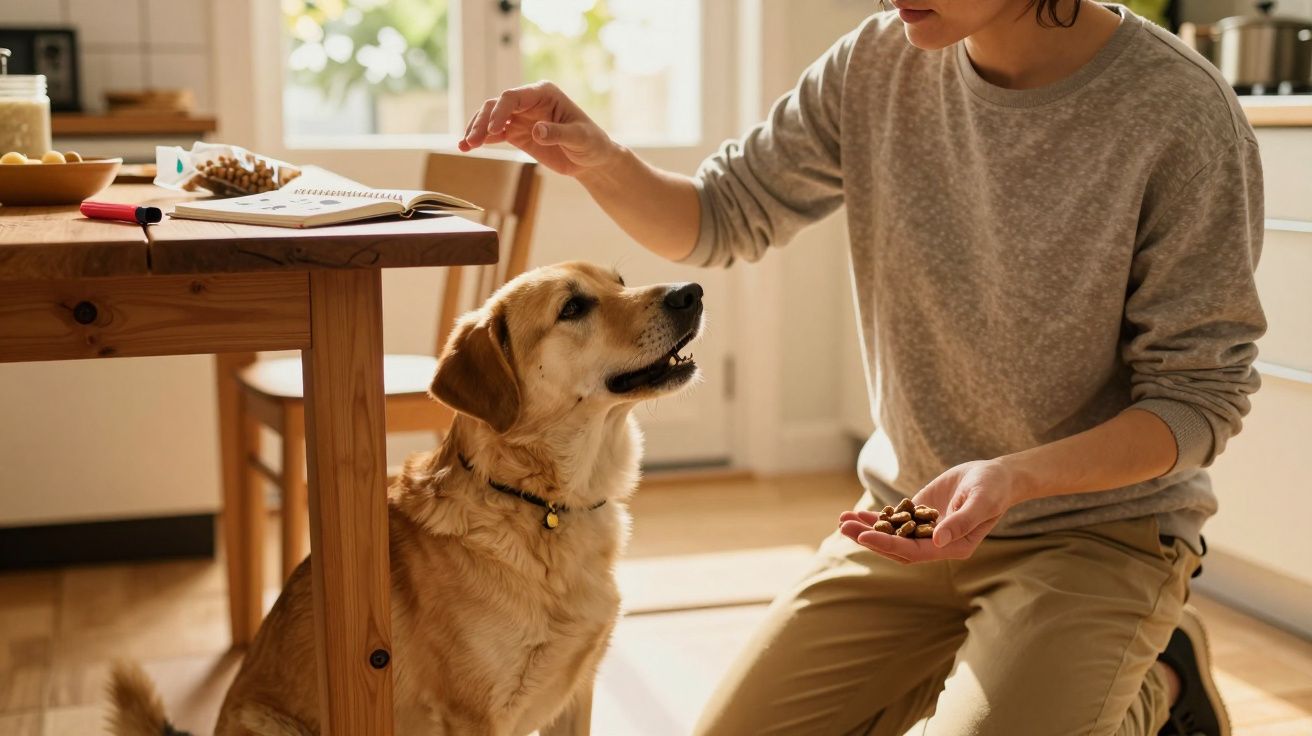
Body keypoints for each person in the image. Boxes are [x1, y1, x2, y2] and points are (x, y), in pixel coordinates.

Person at [459, 0, 1264, 733]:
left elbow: (1198, 398)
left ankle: (1155, 685)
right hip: (907, 519)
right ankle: (1017, 667)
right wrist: (596, 157)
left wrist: (1015, 478)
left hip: (1093, 532)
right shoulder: (877, 62)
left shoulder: (1177, 110)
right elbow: (717, 215)